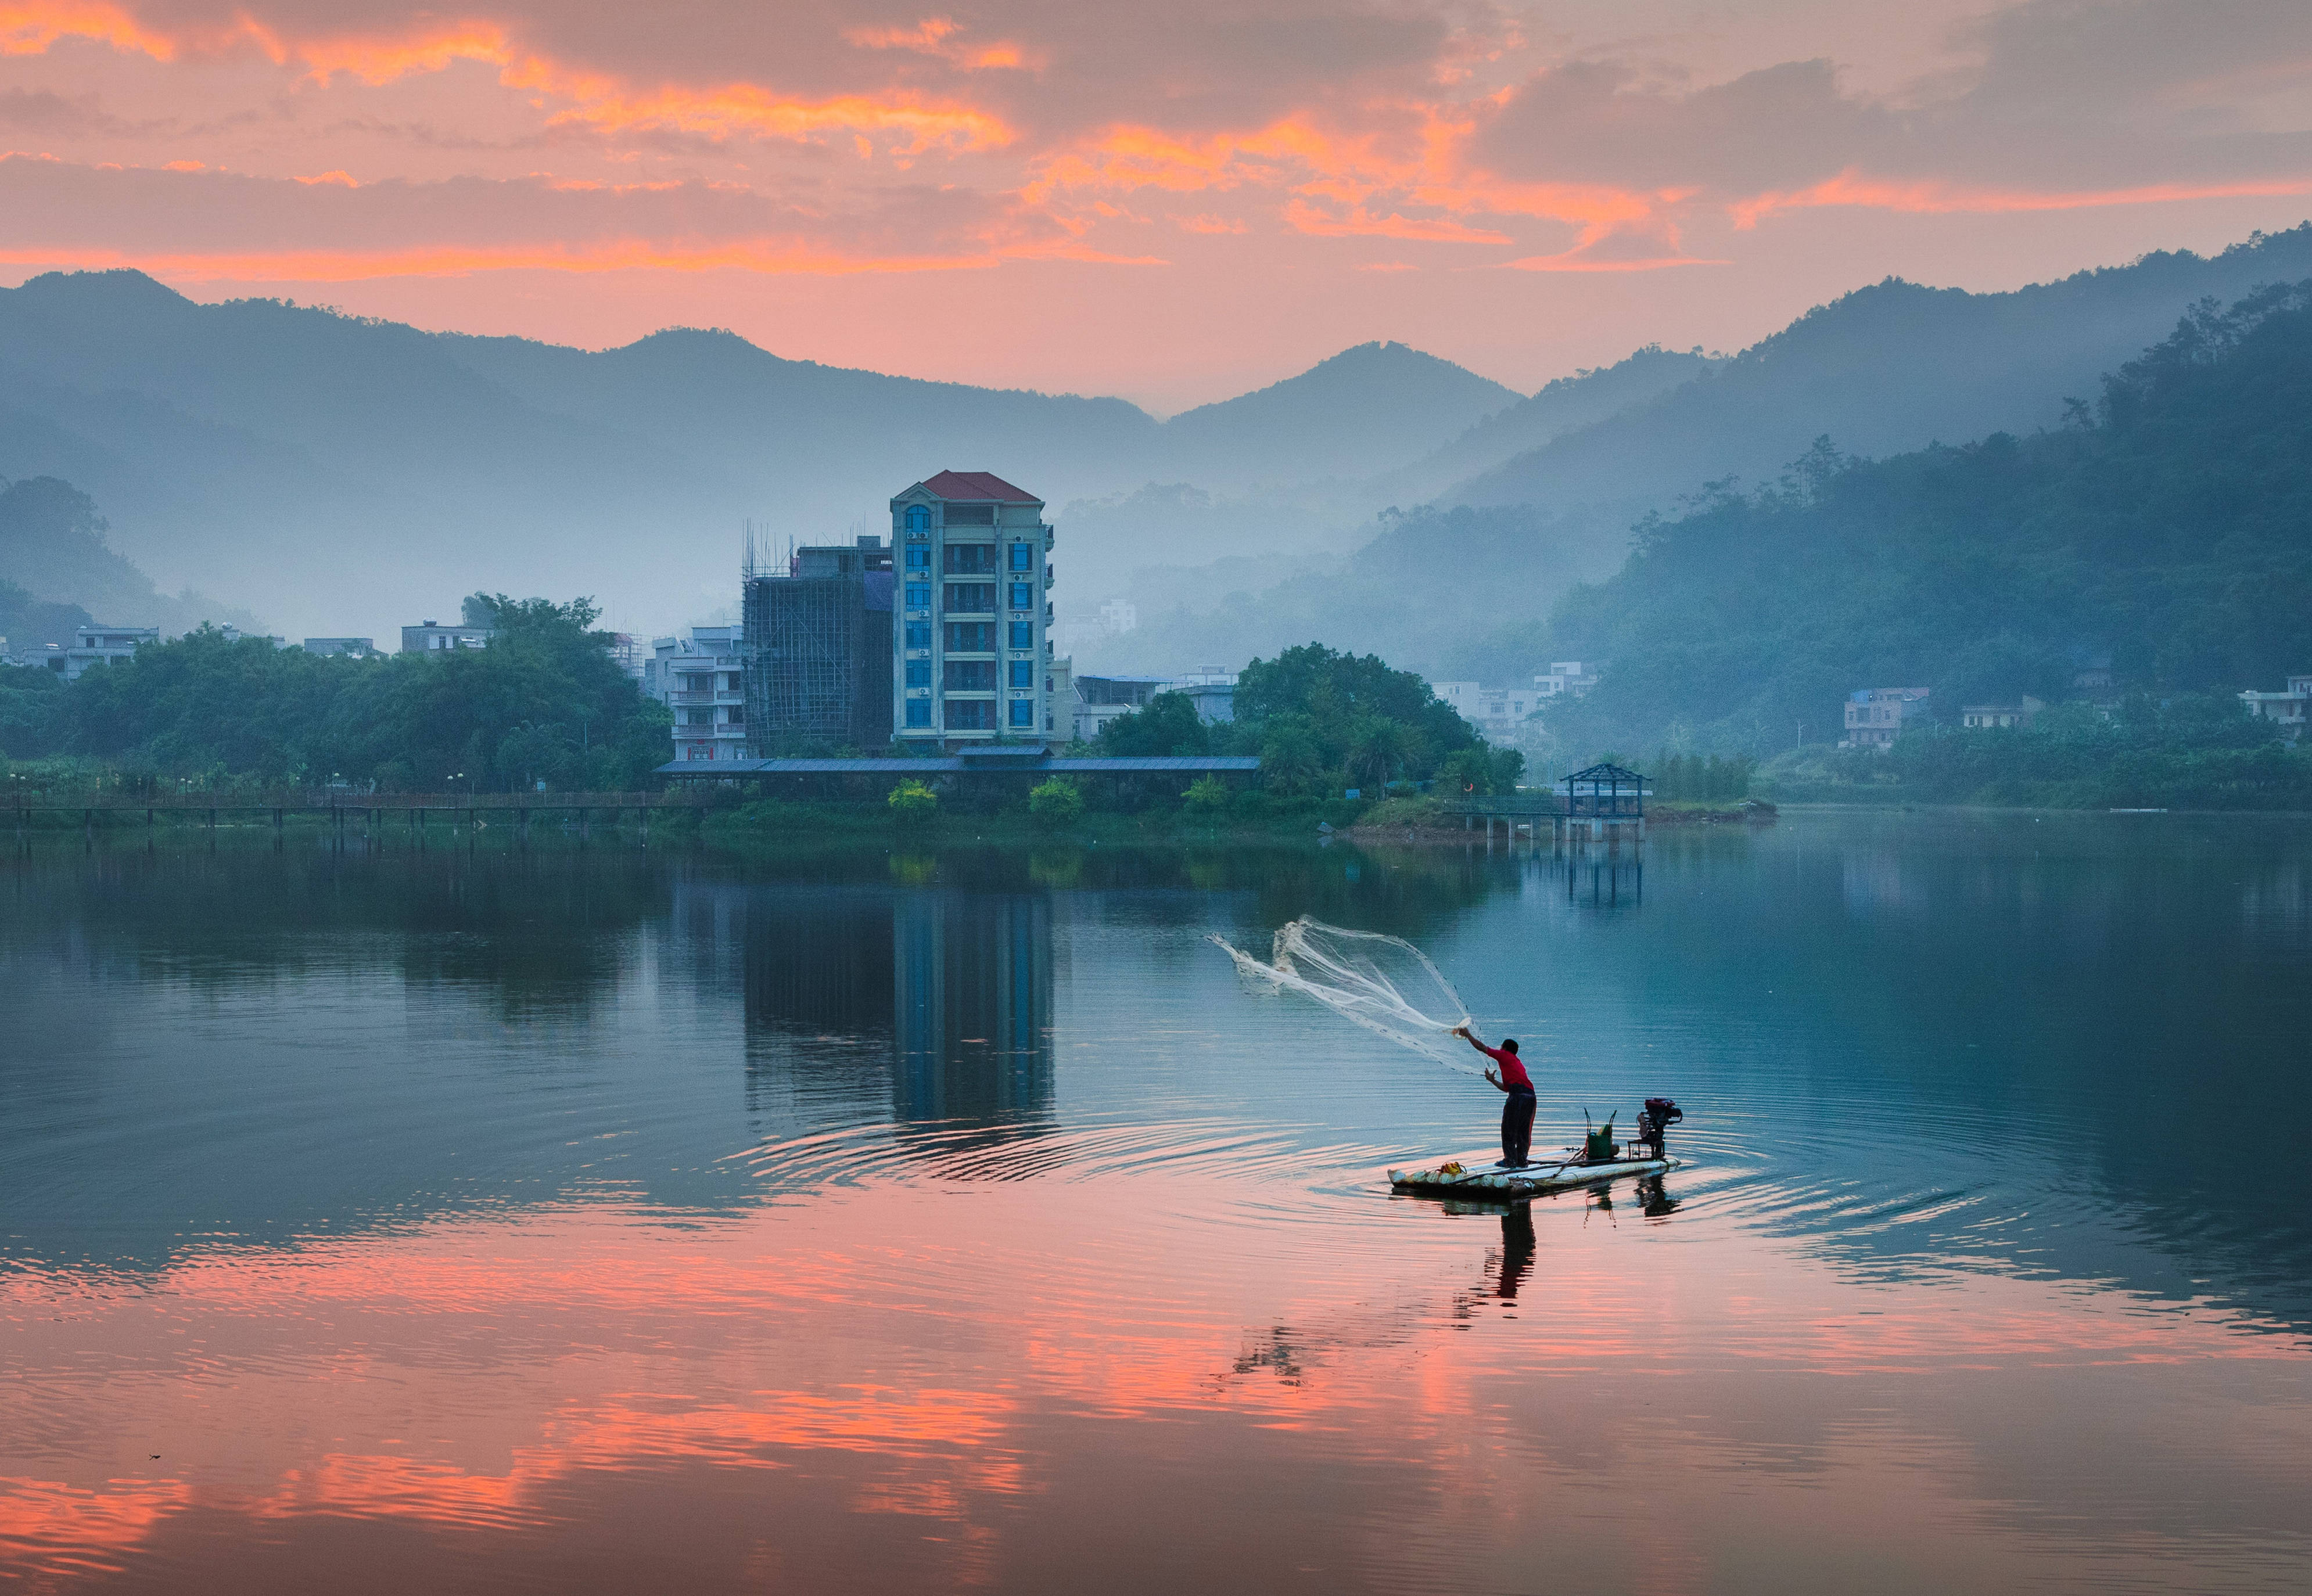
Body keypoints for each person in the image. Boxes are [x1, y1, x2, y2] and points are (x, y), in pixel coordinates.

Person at [1453, 1026, 1535, 1167]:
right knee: (1523, 1129)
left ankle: (1510, 1160)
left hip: (1518, 1097)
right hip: (1530, 1097)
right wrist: (1492, 1080)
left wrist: (1468, 1035)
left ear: (1504, 1049)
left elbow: (1481, 1047)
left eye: (1501, 1047)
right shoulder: (1517, 1063)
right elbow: (1506, 1088)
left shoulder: (1505, 1056)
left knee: (1509, 1128)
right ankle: (1522, 1160)